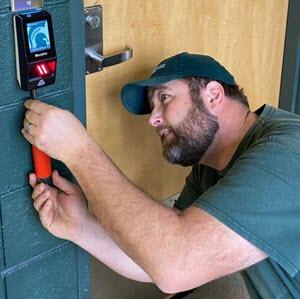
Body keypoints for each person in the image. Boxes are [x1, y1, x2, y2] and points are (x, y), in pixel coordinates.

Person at [22, 52, 300, 298]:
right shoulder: (209, 168)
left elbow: (176, 265)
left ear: (213, 95)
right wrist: (80, 225)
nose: (153, 119)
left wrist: (79, 150)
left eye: (164, 98)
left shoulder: (286, 153)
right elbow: (155, 260)